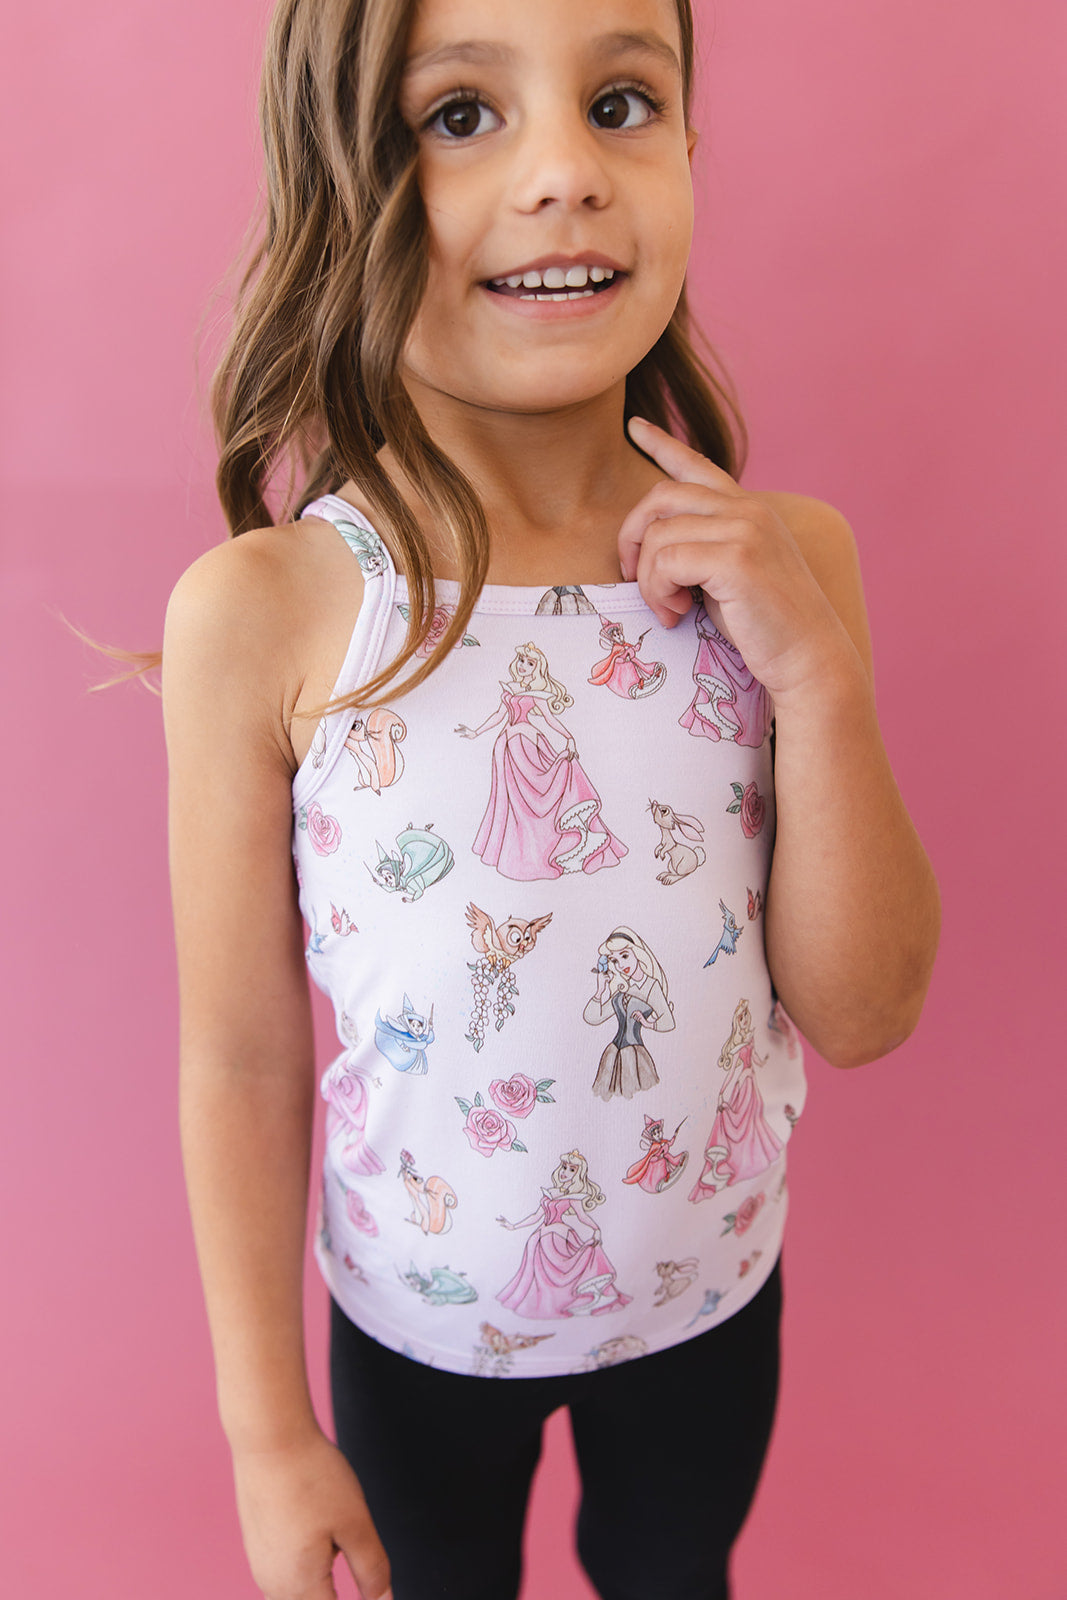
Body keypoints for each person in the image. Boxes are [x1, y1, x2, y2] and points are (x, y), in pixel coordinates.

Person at [161, 1, 941, 1598]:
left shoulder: (790, 566)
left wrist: (814, 674)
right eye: (462, 116)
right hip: (418, 1326)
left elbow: (866, 1014)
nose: (566, 172)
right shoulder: (270, 612)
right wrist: (265, 1430)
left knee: (673, 1571)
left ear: (691, 145)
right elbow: (240, 1057)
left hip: (709, 1301)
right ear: (340, 178)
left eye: (622, 101)